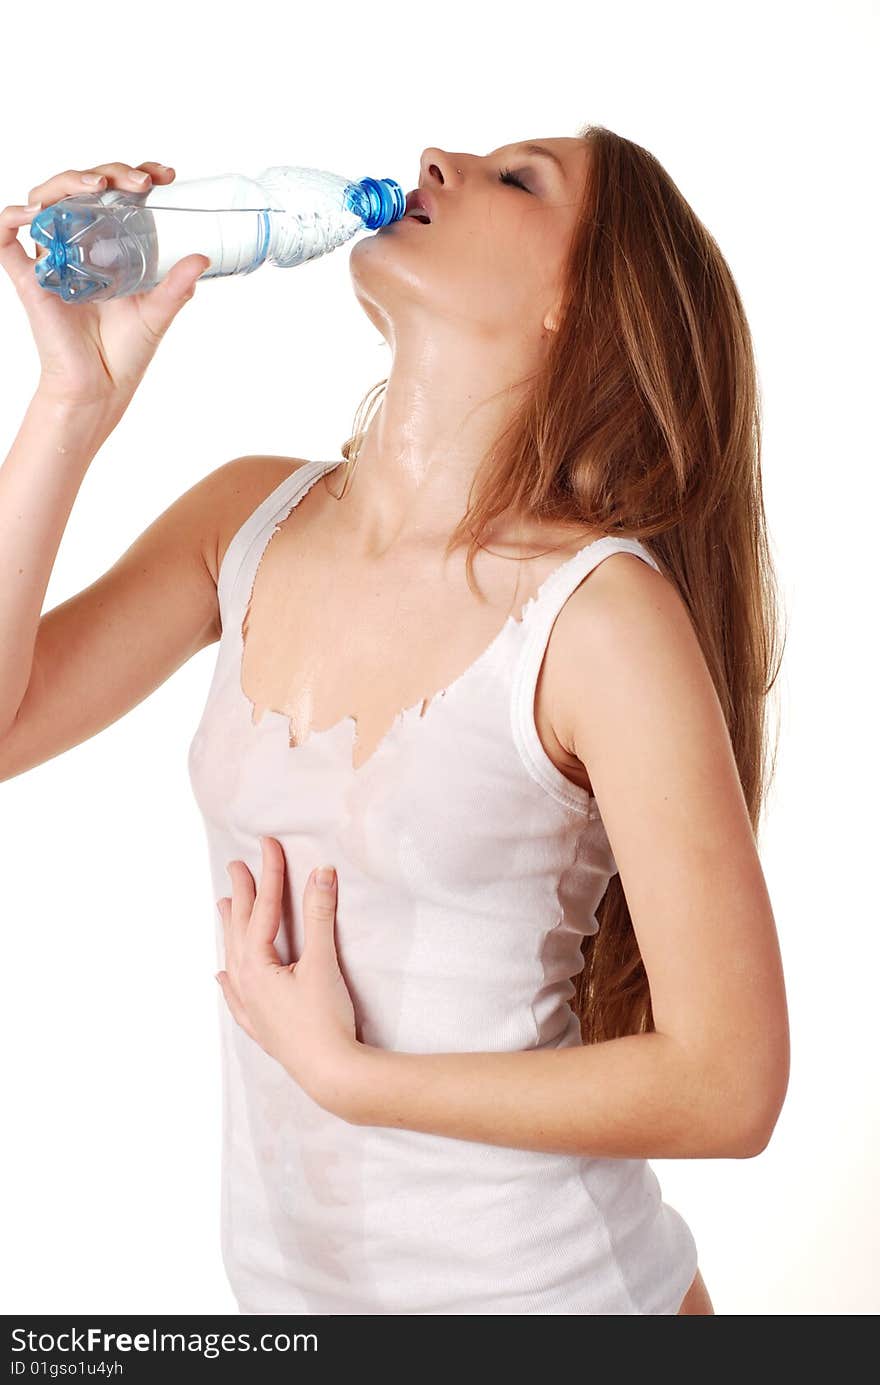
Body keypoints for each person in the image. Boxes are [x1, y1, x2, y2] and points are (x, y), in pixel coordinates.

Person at [0, 127, 789, 1316]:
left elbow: (730, 1086)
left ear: (577, 310)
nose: (435, 156)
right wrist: (70, 403)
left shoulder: (599, 619)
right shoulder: (245, 519)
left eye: (521, 179)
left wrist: (349, 1076)